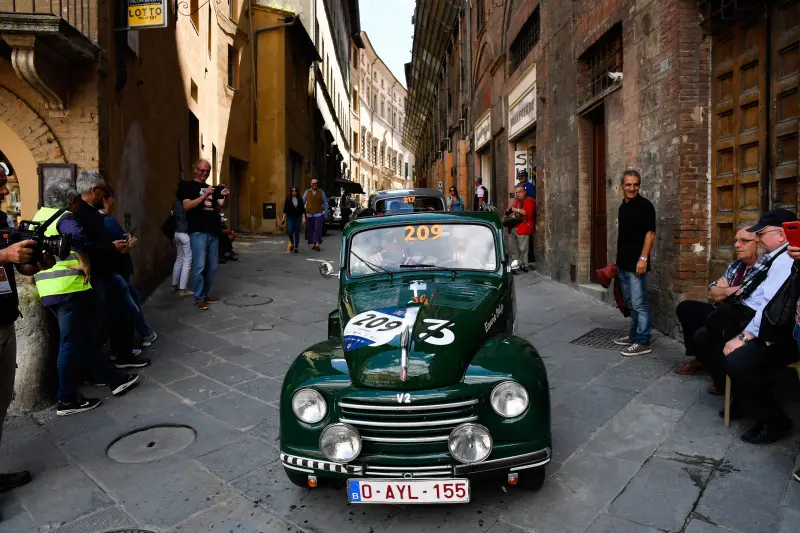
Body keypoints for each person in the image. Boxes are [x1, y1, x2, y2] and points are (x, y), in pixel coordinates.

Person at [33, 181, 140, 416]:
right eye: (75, 202)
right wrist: (85, 263)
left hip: (47, 289)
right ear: (70, 201)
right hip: (70, 287)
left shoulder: (39, 215)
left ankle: (116, 379)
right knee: (72, 342)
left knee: (82, 340)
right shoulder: (64, 218)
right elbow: (77, 239)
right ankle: (67, 399)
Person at [697, 208, 796, 444]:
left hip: (780, 335)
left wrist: (742, 337)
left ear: (781, 235)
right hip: (765, 325)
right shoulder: (777, 258)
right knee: (708, 335)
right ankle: (743, 400)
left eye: (762, 234)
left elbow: (771, 307)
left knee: (736, 360)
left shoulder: (785, 260)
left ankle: (775, 421)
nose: (759, 239)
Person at [0, 165, 55, 494]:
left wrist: (36, 262)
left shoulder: (1, 221)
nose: (6, 192)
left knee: (1, 405)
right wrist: (4, 254)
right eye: (0, 186)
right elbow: (5, 256)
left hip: (5, 322)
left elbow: (19, 267)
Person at [74, 171, 150, 369]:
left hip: (108, 273)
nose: (105, 195)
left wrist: (115, 246)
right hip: (99, 275)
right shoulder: (81, 214)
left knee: (124, 311)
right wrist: (113, 248)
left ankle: (122, 356)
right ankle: (108, 364)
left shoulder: (90, 212)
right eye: (103, 191)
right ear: (93, 190)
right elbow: (84, 246)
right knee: (109, 318)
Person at [674, 223, 760, 384]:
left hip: (739, 317)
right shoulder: (737, 265)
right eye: (736, 241)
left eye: (744, 241)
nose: (737, 245)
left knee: (714, 323)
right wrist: (728, 291)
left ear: (759, 243)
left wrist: (725, 291)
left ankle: (720, 373)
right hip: (721, 309)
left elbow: (745, 297)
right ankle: (701, 360)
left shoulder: (763, 268)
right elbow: (712, 292)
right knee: (687, 308)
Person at [100, 189, 157, 347]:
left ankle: (143, 334)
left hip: (108, 270)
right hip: (118, 269)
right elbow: (122, 248)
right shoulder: (108, 221)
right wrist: (130, 243)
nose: (114, 202)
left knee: (130, 300)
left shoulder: (94, 220)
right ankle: (125, 349)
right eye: (112, 198)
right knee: (127, 306)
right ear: (106, 199)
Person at [613, 170, 657, 356]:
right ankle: (633, 335)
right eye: (628, 185)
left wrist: (643, 259)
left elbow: (650, 234)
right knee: (630, 303)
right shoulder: (622, 207)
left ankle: (643, 341)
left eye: (635, 184)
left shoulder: (645, 206)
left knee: (640, 304)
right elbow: (624, 236)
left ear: (639, 185)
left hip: (637, 263)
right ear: (622, 186)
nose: (632, 188)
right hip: (623, 263)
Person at [178, 159, 229, 310]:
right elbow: (187, 206)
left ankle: (205, 294)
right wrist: (204, 195)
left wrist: (226, 196)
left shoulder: (211, 188)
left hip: (213, 231)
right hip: (198, 232)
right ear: (195, 170)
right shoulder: (187, 186)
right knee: (199, 266)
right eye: (202, 170)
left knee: (212, 267)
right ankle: (199, 298)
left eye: (207, 171)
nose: (205, 173)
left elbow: (222, 206)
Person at [505, 184, 534, 272]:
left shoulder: (529, 200)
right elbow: (511, 210)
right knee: (514, 248)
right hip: (514, 227)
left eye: (519, 192)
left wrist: (516, 210)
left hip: (523, 227)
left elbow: (529, 213)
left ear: (524, 192)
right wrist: (509, 212)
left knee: (523, 249)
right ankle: (515, 265)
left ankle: (524, 265)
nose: (517, 194)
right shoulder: (516, 201)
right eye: (516, 192)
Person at [171, 192, 192, 297]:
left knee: (179, 258)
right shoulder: (187, 203)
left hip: (176, 233)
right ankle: (183, 289)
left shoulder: (176, 203)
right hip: (185, 233)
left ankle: (174, 284)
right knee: (187, 260)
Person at [303, 179, 327, 251]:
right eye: (313, 183)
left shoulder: (321, 192)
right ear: (311, 184)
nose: (314, 185)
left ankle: (317, 244)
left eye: (316, 183)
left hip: (318, 213)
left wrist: (325, 212)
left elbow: (325, 202)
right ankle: (315, 243)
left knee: (317, 229)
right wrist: (301, 212)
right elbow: (302, 201)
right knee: (311, 230)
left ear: (317, 184)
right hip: (309, 214)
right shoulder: (307, 192)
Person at [281, 187, 305, 253]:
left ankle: (296, 247)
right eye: (292, 191)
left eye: (295, 190)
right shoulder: (288, 199)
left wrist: (303, 218)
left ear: (297, 192)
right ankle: (292, 243)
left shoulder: (300, 199)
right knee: (290, 230)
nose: (294, 192)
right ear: (291, 192)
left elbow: (303, 210)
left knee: (297, 233)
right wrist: (283, 218)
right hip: (290, 217)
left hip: (297, 217)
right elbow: (285, 209)